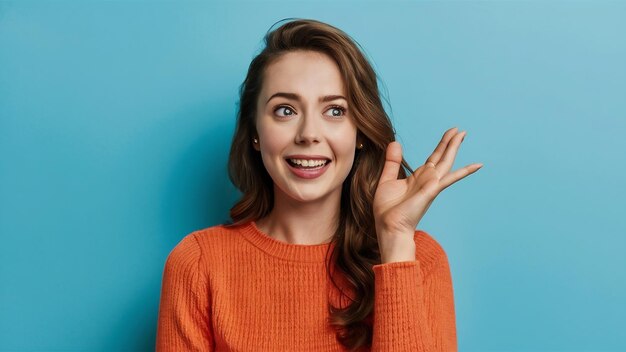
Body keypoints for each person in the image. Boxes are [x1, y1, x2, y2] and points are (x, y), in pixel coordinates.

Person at [155, 18, 482, 352]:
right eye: (285, 110)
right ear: (254, 132)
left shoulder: (419, 259)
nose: (309, 133)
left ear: (359, 133)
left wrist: (396, 244)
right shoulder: (197, 264)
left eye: (335, 111)